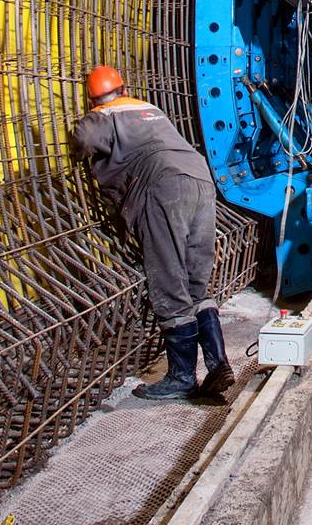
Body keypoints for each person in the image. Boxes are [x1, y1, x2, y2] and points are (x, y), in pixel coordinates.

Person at [72, 66, 234, 401]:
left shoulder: (102, 116)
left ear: (91, 98)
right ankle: (218, 363)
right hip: (201, 181)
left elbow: (85, 141)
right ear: (123, 87)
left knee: (168, 282)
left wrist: (78, 149)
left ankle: (182, 378)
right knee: (195, 283)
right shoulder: (149, 110)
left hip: (163, 187)